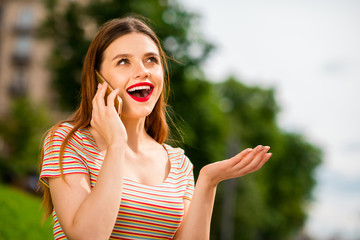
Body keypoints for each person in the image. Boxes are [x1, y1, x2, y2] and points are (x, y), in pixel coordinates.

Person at [38, 16, 272, 240]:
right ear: (98, 78)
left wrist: (208, 181)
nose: (143, 71)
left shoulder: (179, 163)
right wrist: (116, 144)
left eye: (151, 60)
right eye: (123, 61)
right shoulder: (67, 142)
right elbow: (88, 236)